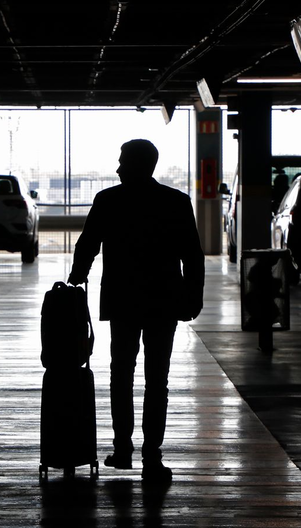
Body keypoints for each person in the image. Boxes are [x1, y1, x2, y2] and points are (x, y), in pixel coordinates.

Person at [67, 139, 205, 481]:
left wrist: (75, 279)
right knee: (158, 379)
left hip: (123, 299)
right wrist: (193, 297)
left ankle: (123, 449)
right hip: (164, 301)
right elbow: (193, 255)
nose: (117, 168)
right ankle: (152, 455)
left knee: (121, 376)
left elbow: (88, 244)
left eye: (122, 162)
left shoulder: (109, 200)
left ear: (138, 165)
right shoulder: (175, 202)